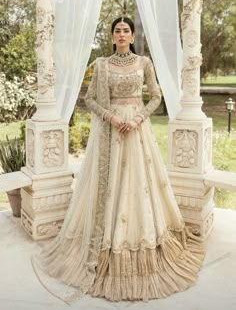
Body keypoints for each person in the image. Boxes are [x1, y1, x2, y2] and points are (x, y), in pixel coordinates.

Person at [32, 16, 205, 304]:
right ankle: (102, 243)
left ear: (132, 35)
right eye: (117, 30)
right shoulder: (101, 64)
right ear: (112, 37)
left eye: (126, 30)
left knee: (138, 184)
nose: (122, 34)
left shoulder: (144, 63)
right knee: (109, 184)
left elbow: (155, 96)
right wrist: (111, 117)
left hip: (137, 131)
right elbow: (89, 99)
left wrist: (137, 118)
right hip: (110, 131)